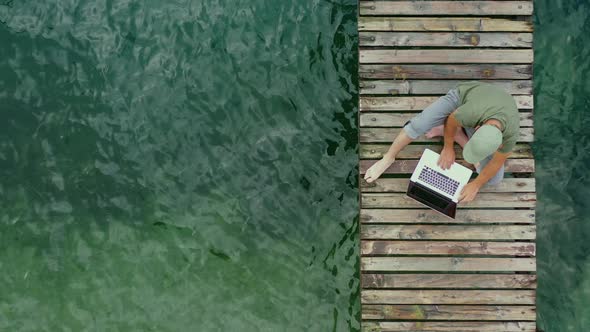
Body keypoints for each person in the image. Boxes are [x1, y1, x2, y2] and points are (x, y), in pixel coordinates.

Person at [363, 81, 520, 203]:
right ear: (476, 128)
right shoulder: (469, 113)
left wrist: (475, 185)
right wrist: (448, 147)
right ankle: (388, 158)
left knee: (494, 179)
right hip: (461, 100)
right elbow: (451, 120)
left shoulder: (509, 137)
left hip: (485, 114)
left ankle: (459, 135)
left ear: (499, 144)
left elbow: (497, 163)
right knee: (419, 124)